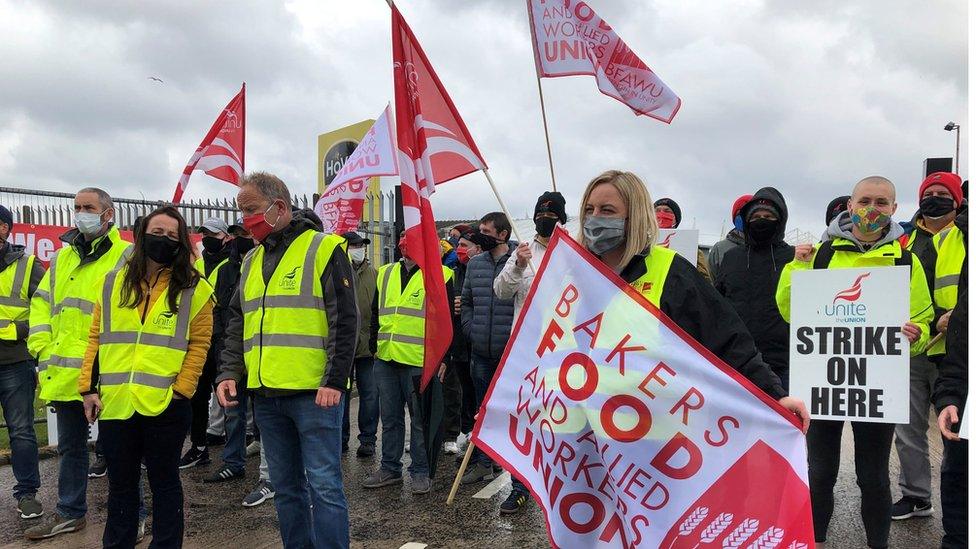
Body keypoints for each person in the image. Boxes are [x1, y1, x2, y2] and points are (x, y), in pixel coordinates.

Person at [776, 176, 933, 549]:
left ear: (895, 210)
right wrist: (797, 268)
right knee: (821, 471)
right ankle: (814, 540)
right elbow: (789, 312)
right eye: (865, 200)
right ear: (850, 205)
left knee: (874, 475)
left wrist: (916, 335)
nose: (872, 209)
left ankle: (878, 543)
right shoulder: (821, 256)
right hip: (825, 385)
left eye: (882, 202)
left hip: (876, 386)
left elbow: (923, 320)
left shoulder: (906, 260)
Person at [215, 172, 356, 549]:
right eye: (241, 211)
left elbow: (344, 321)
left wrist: (334, 380)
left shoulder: (324, 248)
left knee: (325, 486)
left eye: (251, 210)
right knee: (286, 489)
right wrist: (228, 372)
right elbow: (236, 322)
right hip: (266, 396)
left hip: (313, 394)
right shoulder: (250, 260)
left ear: (279, 207)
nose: (246, 219)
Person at [78, 206, 214, 547]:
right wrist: (88, 388)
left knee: (165, 483)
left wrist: (182, 390)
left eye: (172, 235)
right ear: (141, 236)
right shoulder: (113, 282)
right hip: (119, 403)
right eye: (157, 232)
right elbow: (96, 336)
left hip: (166, 405)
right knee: (121, 487)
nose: (163, 240)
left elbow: (200, 345)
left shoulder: (195, 288)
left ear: (182, 243)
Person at [26, 188, 132, 541]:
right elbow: (42, 306)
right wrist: (41, 350)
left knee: (123, 450)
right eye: (77, 207)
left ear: (108, 214)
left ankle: (135, 515)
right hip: (67, 373)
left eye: (89, 207)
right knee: (70, 448)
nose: (81, 213)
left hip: (109, 372)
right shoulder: (61, 259)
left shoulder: (126, 255)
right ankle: (70, 513)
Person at [891, 171, 964, 521]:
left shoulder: (966, 236)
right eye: (929, 192)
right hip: (916, 347)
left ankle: (961, 500)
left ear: (957, 200)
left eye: (942, 193)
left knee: (957, 430)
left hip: (958, 351)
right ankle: (916, 495)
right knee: (907, 428)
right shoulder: (903, 241)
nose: (934, 197)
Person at [362, 231, 454, 494]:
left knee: (419, 420)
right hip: (387, 357)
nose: (405, 247)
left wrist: (444, 358)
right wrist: (374, 345)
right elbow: (377, 312)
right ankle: (390, 468)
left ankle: (420, 471)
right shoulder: (386, 272)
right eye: (402, 242)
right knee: (390, 418)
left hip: (419, 361)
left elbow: (447, 323)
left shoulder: (441, 275)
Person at [491, 191, 565, 514]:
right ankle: (520, 487)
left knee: (562, 423)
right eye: (540, 214)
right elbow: (501, 291)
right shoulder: (521, 249)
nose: (544, 220)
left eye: (550, 215)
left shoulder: (574, 250)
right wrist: (519, 265)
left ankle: (562, 488)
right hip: (526, 351)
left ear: (561, 218)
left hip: (564, 352)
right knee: (525, 419)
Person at [194, 219, 259, 486]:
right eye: (237, 233)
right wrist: (223, 346)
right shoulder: (227, 268)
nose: (241, 237)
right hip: (230, 348)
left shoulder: (261, 261)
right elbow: (223, 310)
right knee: (233, 410)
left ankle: (271, 471)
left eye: (245, 232)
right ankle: (233, 462)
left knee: (266, 413)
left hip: (259, 347)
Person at [714, 189, 794, 389]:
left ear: (780, 220)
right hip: (737, 360)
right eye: (756, 216)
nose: (761, 220)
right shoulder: (731, 258)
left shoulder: (793, 258)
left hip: (783, 362)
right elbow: (718, 305)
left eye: (768, 216)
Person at [459, 212, 516, 485]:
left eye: (486, 230)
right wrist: (471, 330)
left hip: (511, 355)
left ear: (502, 234)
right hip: (481, 351)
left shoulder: (520, 262)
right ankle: (484, 463)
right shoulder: (475, 264)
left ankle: (517, 475)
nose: (480, 234)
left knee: (513, 415)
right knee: (482, 411)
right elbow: (467, 301)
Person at [0, 204, 45, 520]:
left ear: (4, 228)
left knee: (21, 431)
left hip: (15, 360)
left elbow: (48, 309)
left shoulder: (28, 265)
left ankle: (27, 494)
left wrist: (17, 330)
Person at [180, 217, 233, 470]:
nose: (207, 238)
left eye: (213, 233)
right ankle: (199, 447)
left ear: (225, 236)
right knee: (198, 396)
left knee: (229, 398)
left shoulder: (234, 263)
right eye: (204, 233)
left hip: (223, 339)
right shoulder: (198, 264)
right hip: (201, 339)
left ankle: (234, 454)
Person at [932, 211, 967, 548]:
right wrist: (951, 395)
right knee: (957, 475)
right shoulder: (953, 238)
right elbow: (962, 339)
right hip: (966, 397)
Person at [444, 230, 489, 458]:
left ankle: (482, 451)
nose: (459, 249)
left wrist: (469, 305)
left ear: (477, 248)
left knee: (477, 395)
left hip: (478, 346)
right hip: (459, 346)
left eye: (464, 244)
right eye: (458, 244)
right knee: (463, 394)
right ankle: (468, 436)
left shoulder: (486, 271)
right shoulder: (454, 272)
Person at [341, 231, 379, 458]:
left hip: (367, 345)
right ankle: (340, 439)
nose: (358, 248)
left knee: (370, 395)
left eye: (361, 245)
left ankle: (368, 439)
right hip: (343, 346)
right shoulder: (336, 270)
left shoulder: (374, 273)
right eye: (353, 245)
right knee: (341, 395)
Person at [653, 197, 711, 280]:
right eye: (657, 211)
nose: (661, 214)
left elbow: (704, 281)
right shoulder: (639, 244)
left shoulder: (693, 250)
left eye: (667, 211)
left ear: (676, 219)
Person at [706, 194, 752, 277]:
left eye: (749, 212)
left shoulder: (768, 247)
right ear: (734, 218)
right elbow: (709, 281)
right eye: (740, 213)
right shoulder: (719, 249)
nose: (744, 217)